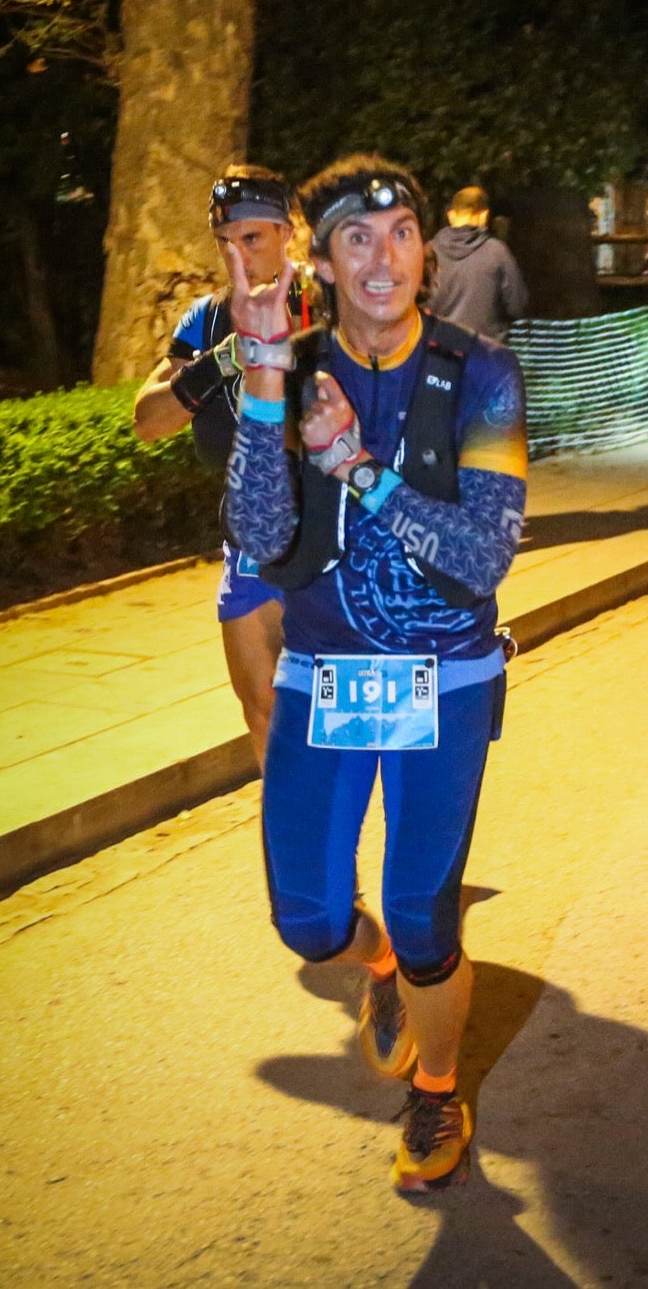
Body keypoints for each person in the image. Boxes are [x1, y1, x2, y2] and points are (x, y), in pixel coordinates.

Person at [224, 155, 528, 1192]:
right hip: (327, 677)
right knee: (308, 921)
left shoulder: (481, 372)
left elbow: (485, 556)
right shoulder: (290, 362)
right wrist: (263, 378)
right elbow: (262, 538)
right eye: (356, 237)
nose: (382, 257)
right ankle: (378, 968)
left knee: (423, 913)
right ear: (324, 257)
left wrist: (364, 471)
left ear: (425, 250)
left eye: (400, 235)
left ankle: (437, 1086)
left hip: (443, 680)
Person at [132, 165, 307, 768]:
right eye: (224, 243)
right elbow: (148, 420)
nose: (236, 255)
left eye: (251, 239)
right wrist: (225, 358)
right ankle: (299, 854)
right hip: (251, 542)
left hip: (335, 542)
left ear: (288, 232)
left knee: (345, 721)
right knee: (264, 710)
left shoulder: (331, 303)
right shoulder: (203, 323)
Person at [427, 185, 528, 340]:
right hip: (485, 354)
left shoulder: (428, 252)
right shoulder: (497, 252)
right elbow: (517, 305)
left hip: (439, 353)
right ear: (484, 216)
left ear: (451, 215)